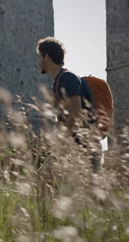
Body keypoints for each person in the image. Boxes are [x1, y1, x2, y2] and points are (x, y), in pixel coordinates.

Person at [36, 37, 101, 171]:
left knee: (44, 180)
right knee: (44, 180)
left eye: (40, 57)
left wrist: (63, 143)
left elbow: (76, 114)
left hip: (84, 148)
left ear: (47, 57)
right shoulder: (58, 82)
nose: (39, 62)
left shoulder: (67, 78)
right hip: (73, 147)